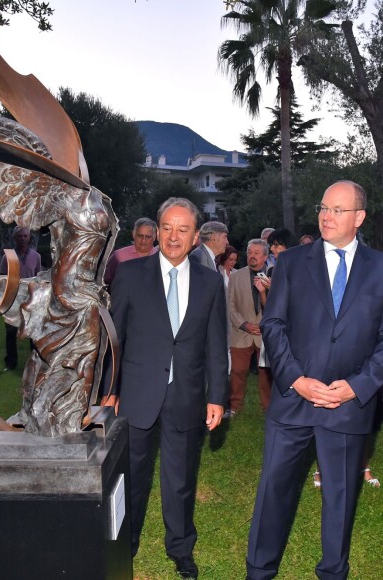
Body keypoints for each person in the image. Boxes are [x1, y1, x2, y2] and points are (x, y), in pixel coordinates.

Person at [246, 181, 383, 579]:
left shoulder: (380, 268)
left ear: (359, 217)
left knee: (340, 499)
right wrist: (296, 379)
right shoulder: (290, 263)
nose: (326, 215)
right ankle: (259, 570)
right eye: (324, 207)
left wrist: (358, 386)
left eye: (338, 210)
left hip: (349, 405)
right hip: (294, 401)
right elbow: (273, 325)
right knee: (274, 491)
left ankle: (333, 572)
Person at [111, 197, 228, 578]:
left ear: (196, 237)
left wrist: (216, 397)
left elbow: (215, 343)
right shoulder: (129, 275)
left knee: (180, 478)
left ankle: (180, 548)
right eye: (166, 228)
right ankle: (124, 544)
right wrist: (109, 391)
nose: (173, 237)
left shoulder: (211, 282)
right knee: (131, 476)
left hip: (187, 396)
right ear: (157, 232)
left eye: (182, 229)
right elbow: (114, 341)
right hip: (137, 394)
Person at [227, 239, 272, 416]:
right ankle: (234, 406)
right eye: (249, 252)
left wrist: (264, 325)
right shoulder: (236, 276)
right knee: (237, 371)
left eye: (256, 253)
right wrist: (244, 324)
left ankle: (269, 407)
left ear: (266, 256)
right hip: (241, 333)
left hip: (265, 333)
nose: (252, 256)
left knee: (266, 372)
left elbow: (276, 306)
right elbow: (230, 305)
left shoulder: (273, 276)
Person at [0, 226, 42, 371]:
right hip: (12, 299)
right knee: (11, 332)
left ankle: (35, 363)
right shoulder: (8, 257)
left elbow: (39, 279)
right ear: (15, 238)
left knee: (32, 331)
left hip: (30, 299)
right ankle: (11, 363)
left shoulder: (36, 257)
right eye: (20, 236)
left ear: (29, 238)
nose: (23, 239)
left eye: (25, 236)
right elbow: (2, 279)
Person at [103, 217, 158, 287]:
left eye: (148, 237)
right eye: (140, 236)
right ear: (133, 234)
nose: (143, 240)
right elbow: (105, 282)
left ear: (154, 237)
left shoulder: (162, 259)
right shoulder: (119, 256)